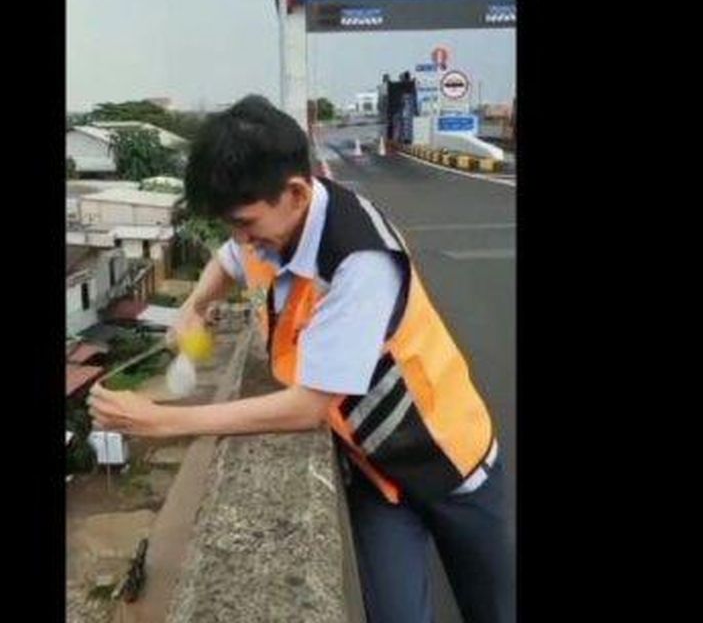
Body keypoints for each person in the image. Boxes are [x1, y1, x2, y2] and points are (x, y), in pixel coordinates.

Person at [89, 95, 514, 623]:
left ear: (295, 192)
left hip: (453, 465)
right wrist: (196, 307)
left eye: (245, 224)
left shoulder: (359, 260)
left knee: (494, 610)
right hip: (378, 476)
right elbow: (227, 263)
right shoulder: (273, 227)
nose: (242, 241)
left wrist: (162, 420)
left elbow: (308, 407)